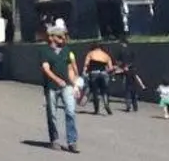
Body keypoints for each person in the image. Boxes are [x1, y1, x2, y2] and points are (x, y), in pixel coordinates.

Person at [40, 25, 80, 153]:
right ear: (52, 38)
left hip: (67, 86)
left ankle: (72, 141)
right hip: (51, 87)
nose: (63, 39)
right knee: (52, 114)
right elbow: (46, 69)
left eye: (63, 37)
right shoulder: (45, 52)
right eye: (60, 36)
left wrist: (75, 85)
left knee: (70, 111)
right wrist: (57, 80)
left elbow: (70, 70)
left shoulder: (67, 50)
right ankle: (54, 139)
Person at [81, 44, 114, 115]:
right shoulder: (106, 55)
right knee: (104, 91)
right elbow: (111, 68)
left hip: (94, 73)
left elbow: (86, 64)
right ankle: (106, 103)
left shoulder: (90, 53)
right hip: (104, 73)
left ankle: (97, 109)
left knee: (95, 92)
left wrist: (84, 72)